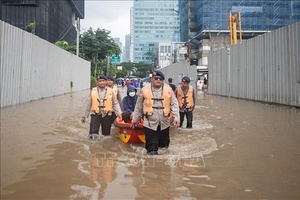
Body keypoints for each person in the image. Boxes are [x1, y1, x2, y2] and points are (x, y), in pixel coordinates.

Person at [131, 70, 180, 155]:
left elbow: (174, 104)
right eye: (156, 78)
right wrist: (134, 120)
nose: (158, 80)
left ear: (163, 80)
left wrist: (177, 118)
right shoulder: (144, 90)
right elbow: (138, 107)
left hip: (164, 123)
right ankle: (152, 165)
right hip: (149, 124)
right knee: (152, 150)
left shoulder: (168, 90)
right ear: (152, 79)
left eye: (160, 79)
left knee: (164, 148)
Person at [81, 75, 123, 140]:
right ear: (97, 82)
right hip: (95, 114)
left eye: (103, 81)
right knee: (93, 135)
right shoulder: (93, 91)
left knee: (106, 135)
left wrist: (119, 114)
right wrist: (84, 116)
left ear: (106, 82)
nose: (102, 82)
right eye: (100, 81)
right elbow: (88, 104)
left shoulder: (111, 91)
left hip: (107, 115)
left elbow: (115, 103)